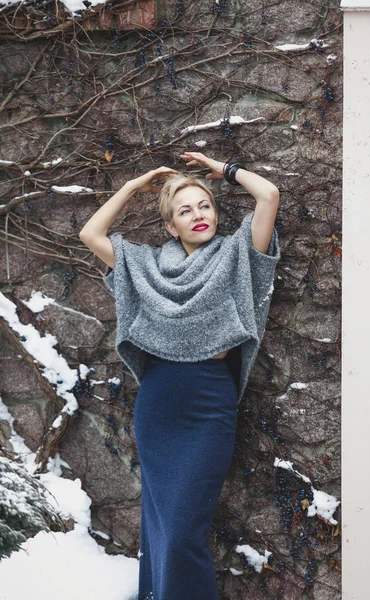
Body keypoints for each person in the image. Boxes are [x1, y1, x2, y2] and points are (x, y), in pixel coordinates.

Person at [79, 152, 281, 600]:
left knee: (182, 531)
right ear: (170, 226)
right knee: (160, 526)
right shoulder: (145, 267)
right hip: (160, 402)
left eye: (204, 205)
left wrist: (222, 169)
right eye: (185, 210)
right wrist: (134, 186)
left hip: (209, 402)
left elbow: (268, 194)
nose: (198, 215)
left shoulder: (238, 255)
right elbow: (90, 233)